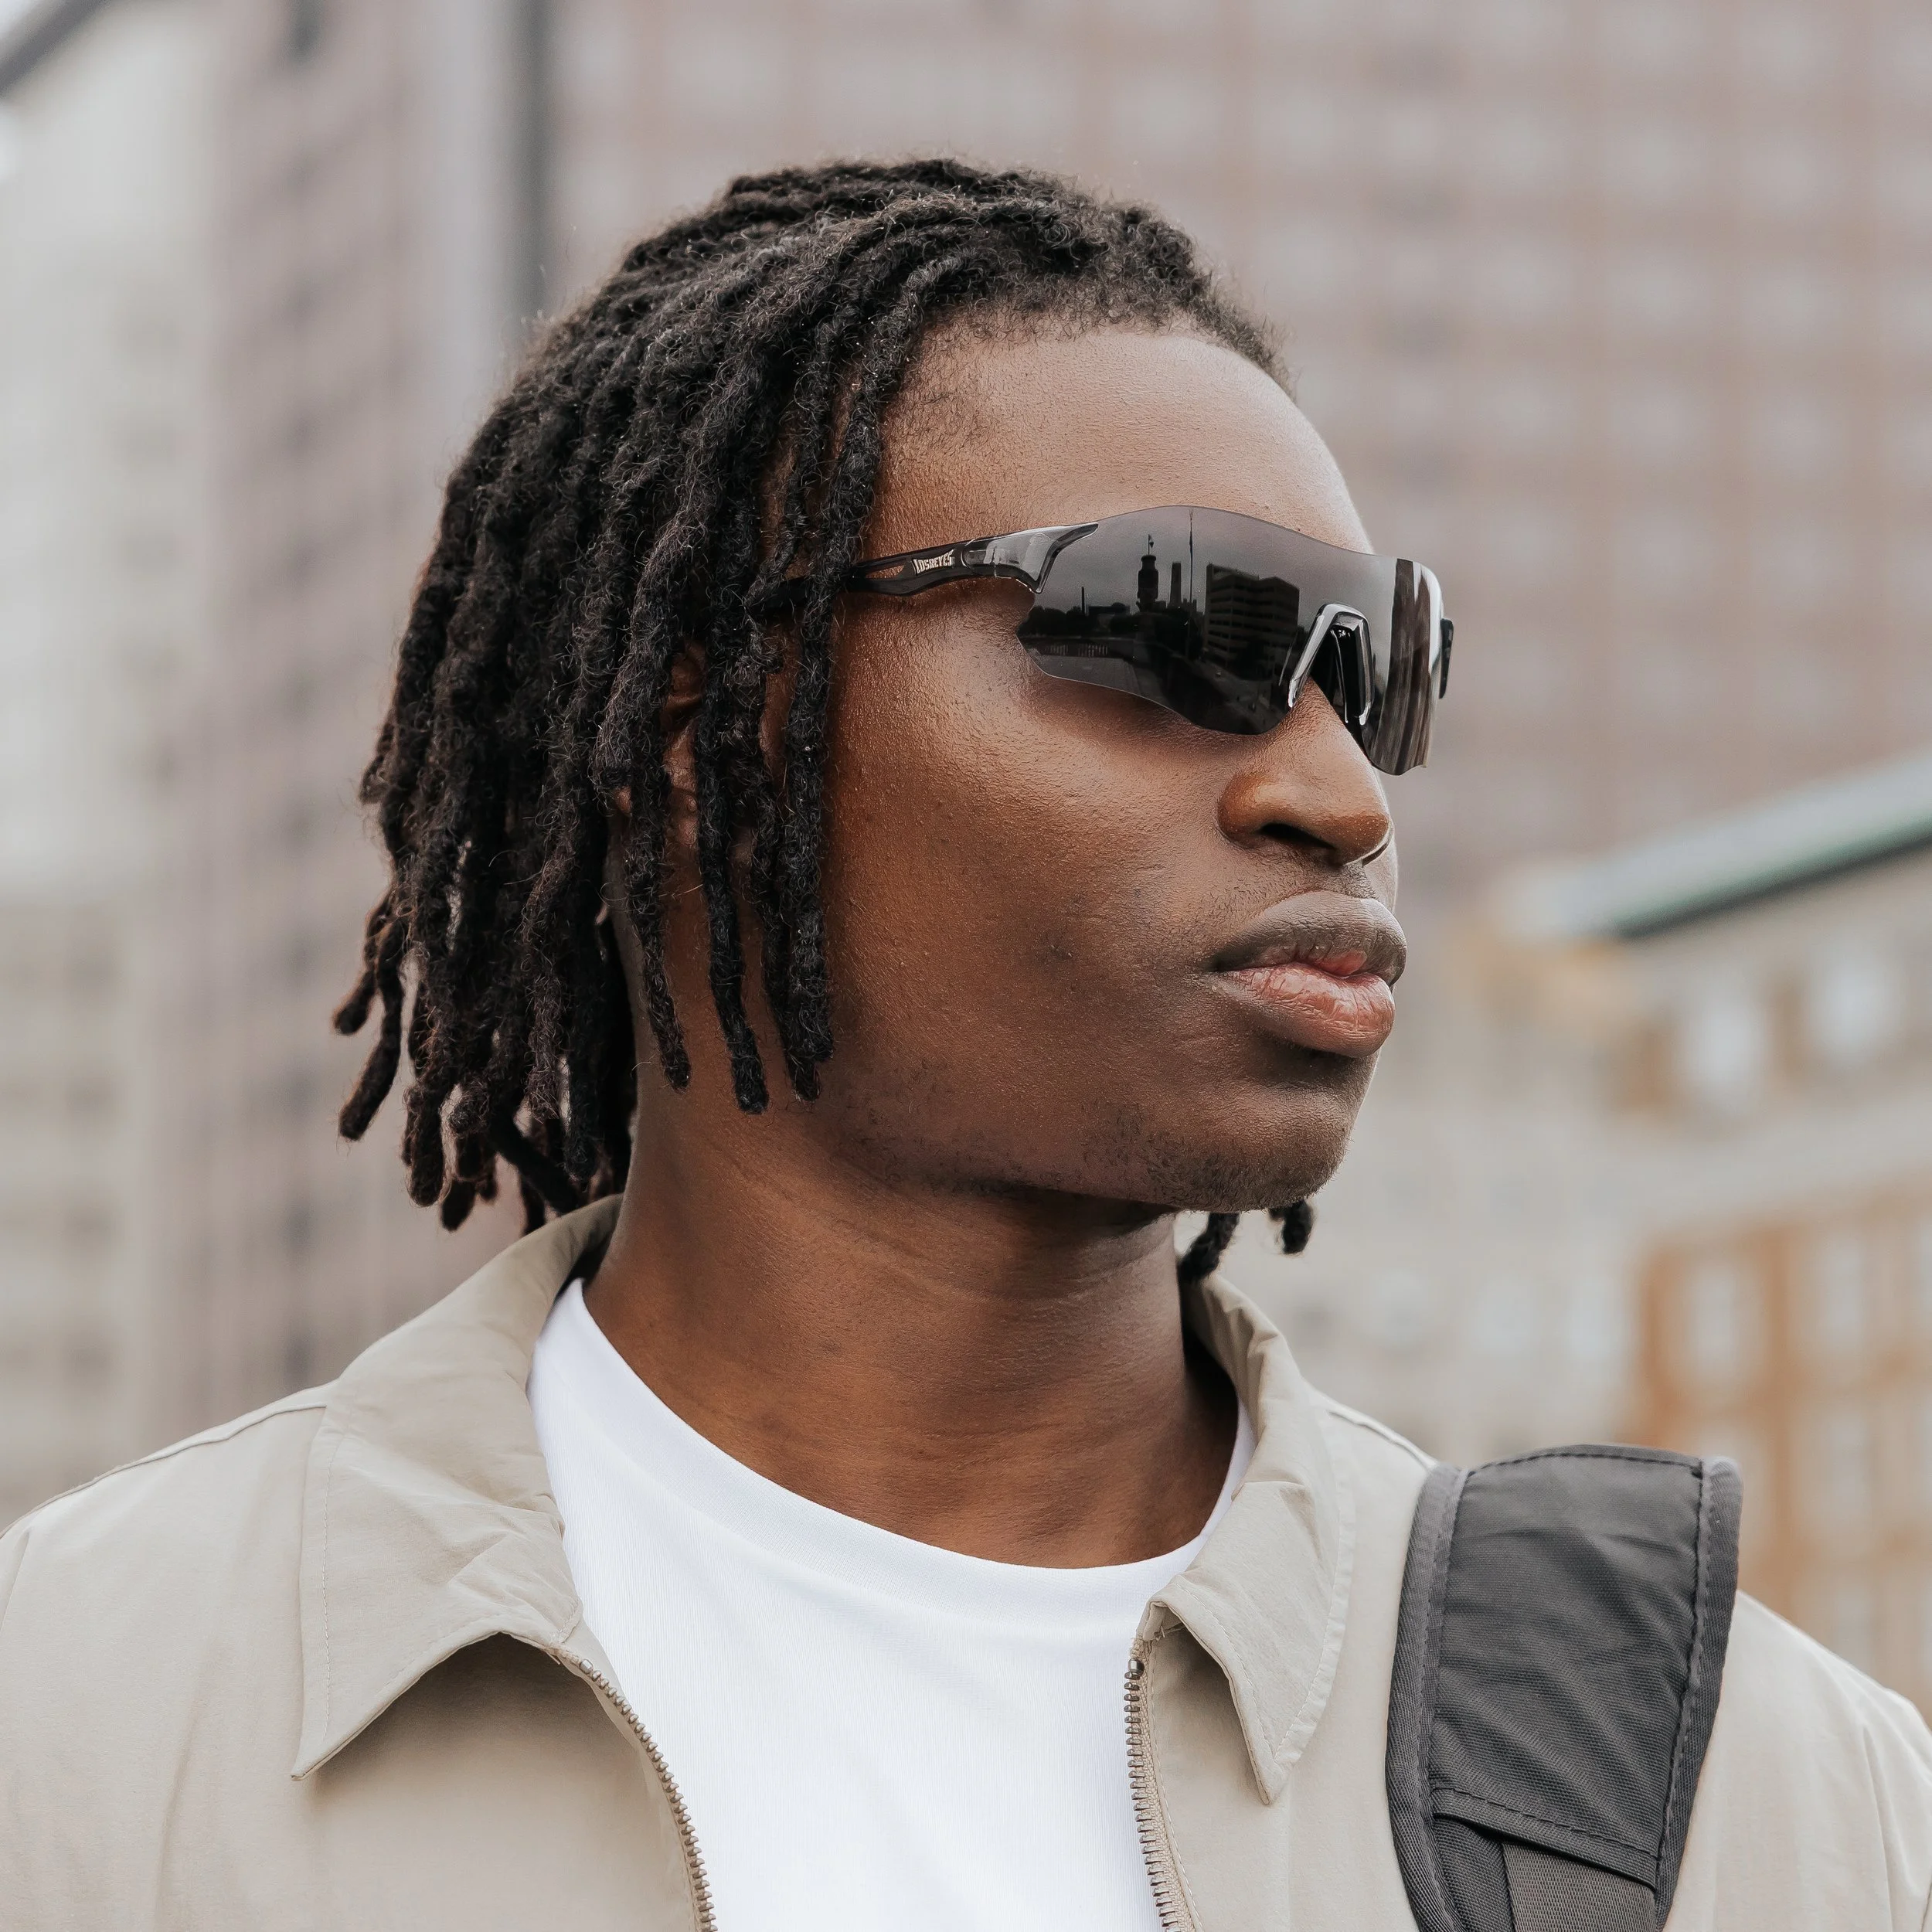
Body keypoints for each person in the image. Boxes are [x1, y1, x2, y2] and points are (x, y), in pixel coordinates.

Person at [1, 159, 1926, 1931]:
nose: (1338, 789)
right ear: (702, 731)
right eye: (1179, 624)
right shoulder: (87, 1712)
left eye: (1378, 668)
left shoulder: (1760, 1792)